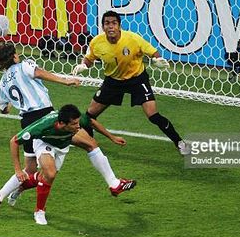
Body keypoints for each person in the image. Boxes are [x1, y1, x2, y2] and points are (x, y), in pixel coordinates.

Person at [71, 10, 187, 155]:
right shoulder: (97, 42)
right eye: (107, 23)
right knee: (88, 116)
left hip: (137, 79)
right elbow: (89, 59)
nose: (111, 26)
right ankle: (89, 141)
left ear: (119, 26)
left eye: (114, 23)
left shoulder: (133, 39)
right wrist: (83, 65)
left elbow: (153, 52)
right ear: (103, 27)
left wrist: (157, 60)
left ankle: (179, 142)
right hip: (113, 81)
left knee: (153, 115)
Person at [0, 41, 79, 214]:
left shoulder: (2, 84)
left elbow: (3, 108)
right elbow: (39, 73)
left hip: (27, 121)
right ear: (14, 56)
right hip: (44, 116)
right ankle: (112, 180)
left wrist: (13, 104)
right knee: (81, 141)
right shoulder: (24, 65)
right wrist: (65, 81)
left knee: (29, 170)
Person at [9, 104, 136, 225]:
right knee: (50, 175)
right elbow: (14, 141)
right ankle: (39, 212)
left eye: (78, 122)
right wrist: (18, 170)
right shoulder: (43, 125)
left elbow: (91, 122)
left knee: (91, 144)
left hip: (63, 144)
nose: (78, 126)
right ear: (62, 123)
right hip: (45, 143)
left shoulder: (75, 122)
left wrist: (112, 137)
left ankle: (114, 183)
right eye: (74, 124)